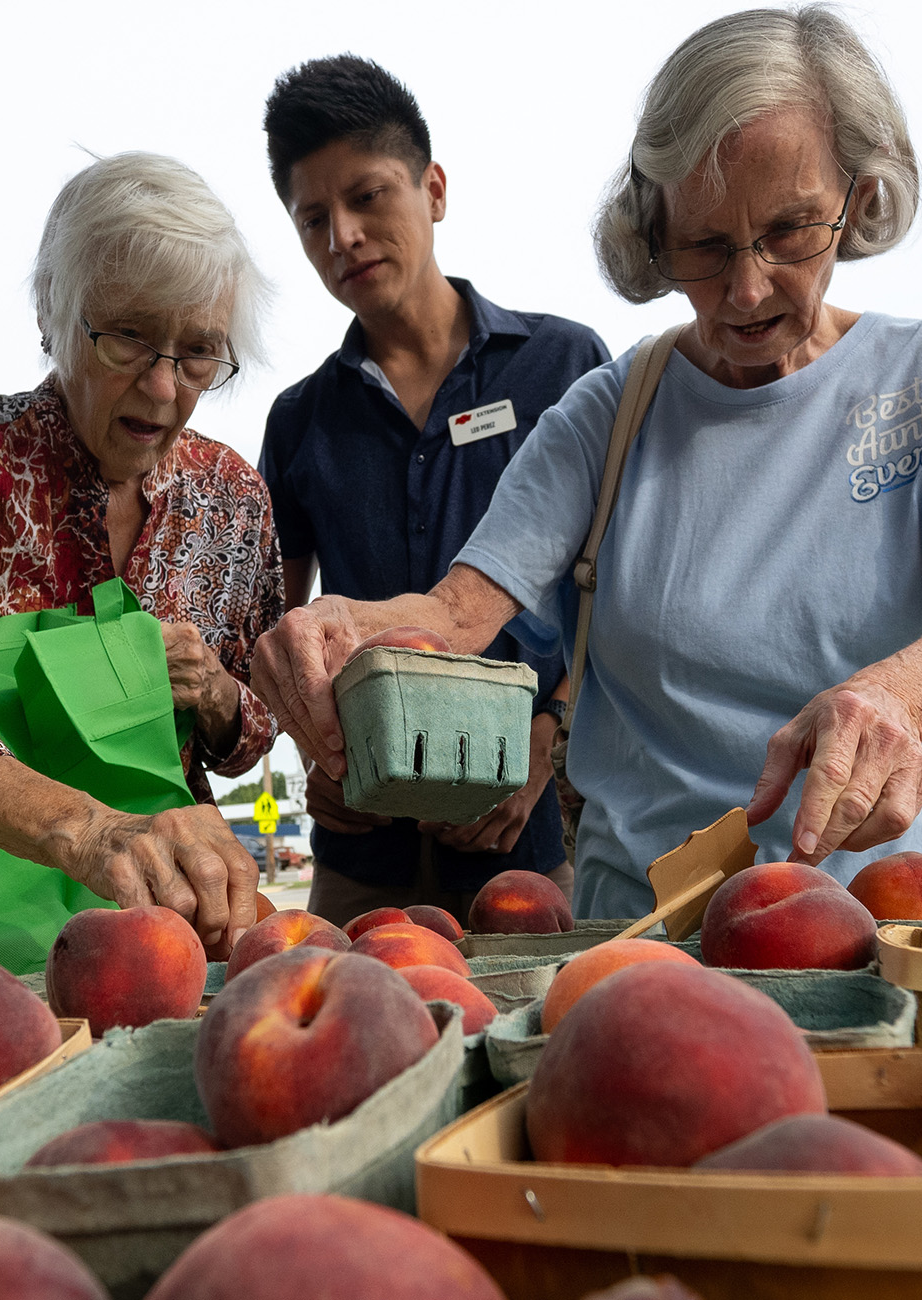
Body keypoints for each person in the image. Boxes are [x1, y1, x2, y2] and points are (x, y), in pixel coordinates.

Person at [253, 8, 922, 917]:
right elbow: (455, 613)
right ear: (651, 227)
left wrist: (900, 696)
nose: (746, 289)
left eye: (790, 231)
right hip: (662, 933)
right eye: (704, 246)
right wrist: (341, 627)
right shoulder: (606, 414)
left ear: (857, 199)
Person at [0, 153, 275, 955]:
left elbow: (248, 741)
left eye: (199, 352)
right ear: (53, 317)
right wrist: (90, 832)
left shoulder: (234, 500)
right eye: (129, 337)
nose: (166, 387)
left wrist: (213, 691)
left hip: (177, 925)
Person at [256, 55, 610, 926]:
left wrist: (546, 740)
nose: (342, 236)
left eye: (368, 196)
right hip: (359, 846)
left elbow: (616, 588)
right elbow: (270, 627)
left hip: (521, 844)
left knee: (537, 1038)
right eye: (313, 218)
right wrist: (315, 748)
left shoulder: (564, 367)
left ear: (435, 189)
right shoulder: (299, 420)